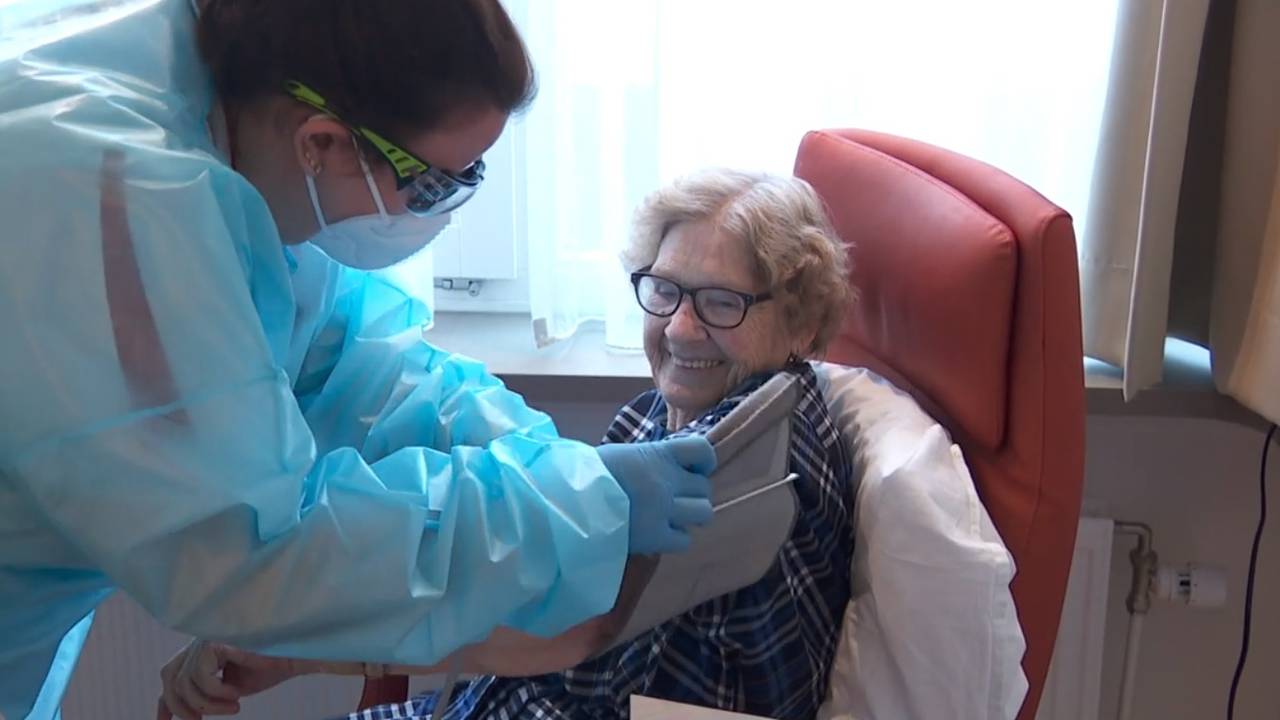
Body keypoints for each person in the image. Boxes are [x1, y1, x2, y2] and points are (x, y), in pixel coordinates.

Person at [0, 2, 717, 719]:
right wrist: (564, 508)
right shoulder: (112, 197)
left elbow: (347, 362)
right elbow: (256, 555)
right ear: (324, 142)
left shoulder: (239, 120)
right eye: (437, 184)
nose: (439, 211)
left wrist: (544, 461)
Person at [164, 169, 858, 720]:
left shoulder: (755, 461)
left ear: (801, 323)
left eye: (721, 303)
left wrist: (298, 646)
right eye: (666, 291)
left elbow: (575, 630)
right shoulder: (660, 418)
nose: (679, 329)